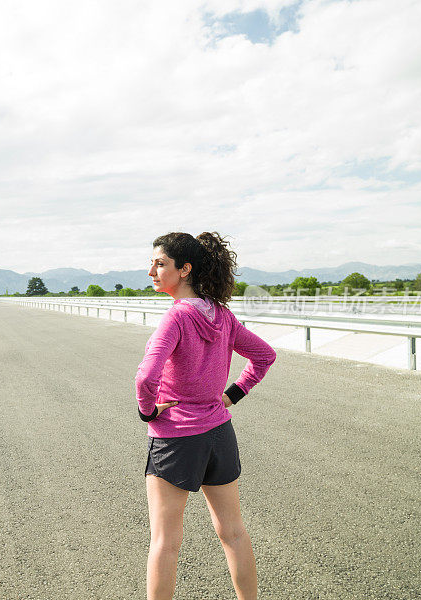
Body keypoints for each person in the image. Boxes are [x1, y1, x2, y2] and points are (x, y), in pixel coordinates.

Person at [136, 232, 276, 600]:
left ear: (184, 270)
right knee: (232, 532)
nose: (151, 270)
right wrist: (233, 394)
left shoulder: (176, 319)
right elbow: (264, 356)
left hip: (176, 437)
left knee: (165, 543)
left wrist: (147, 410)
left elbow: (146, 376)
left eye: (160, 263)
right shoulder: (222, 316)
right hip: (219, 434)